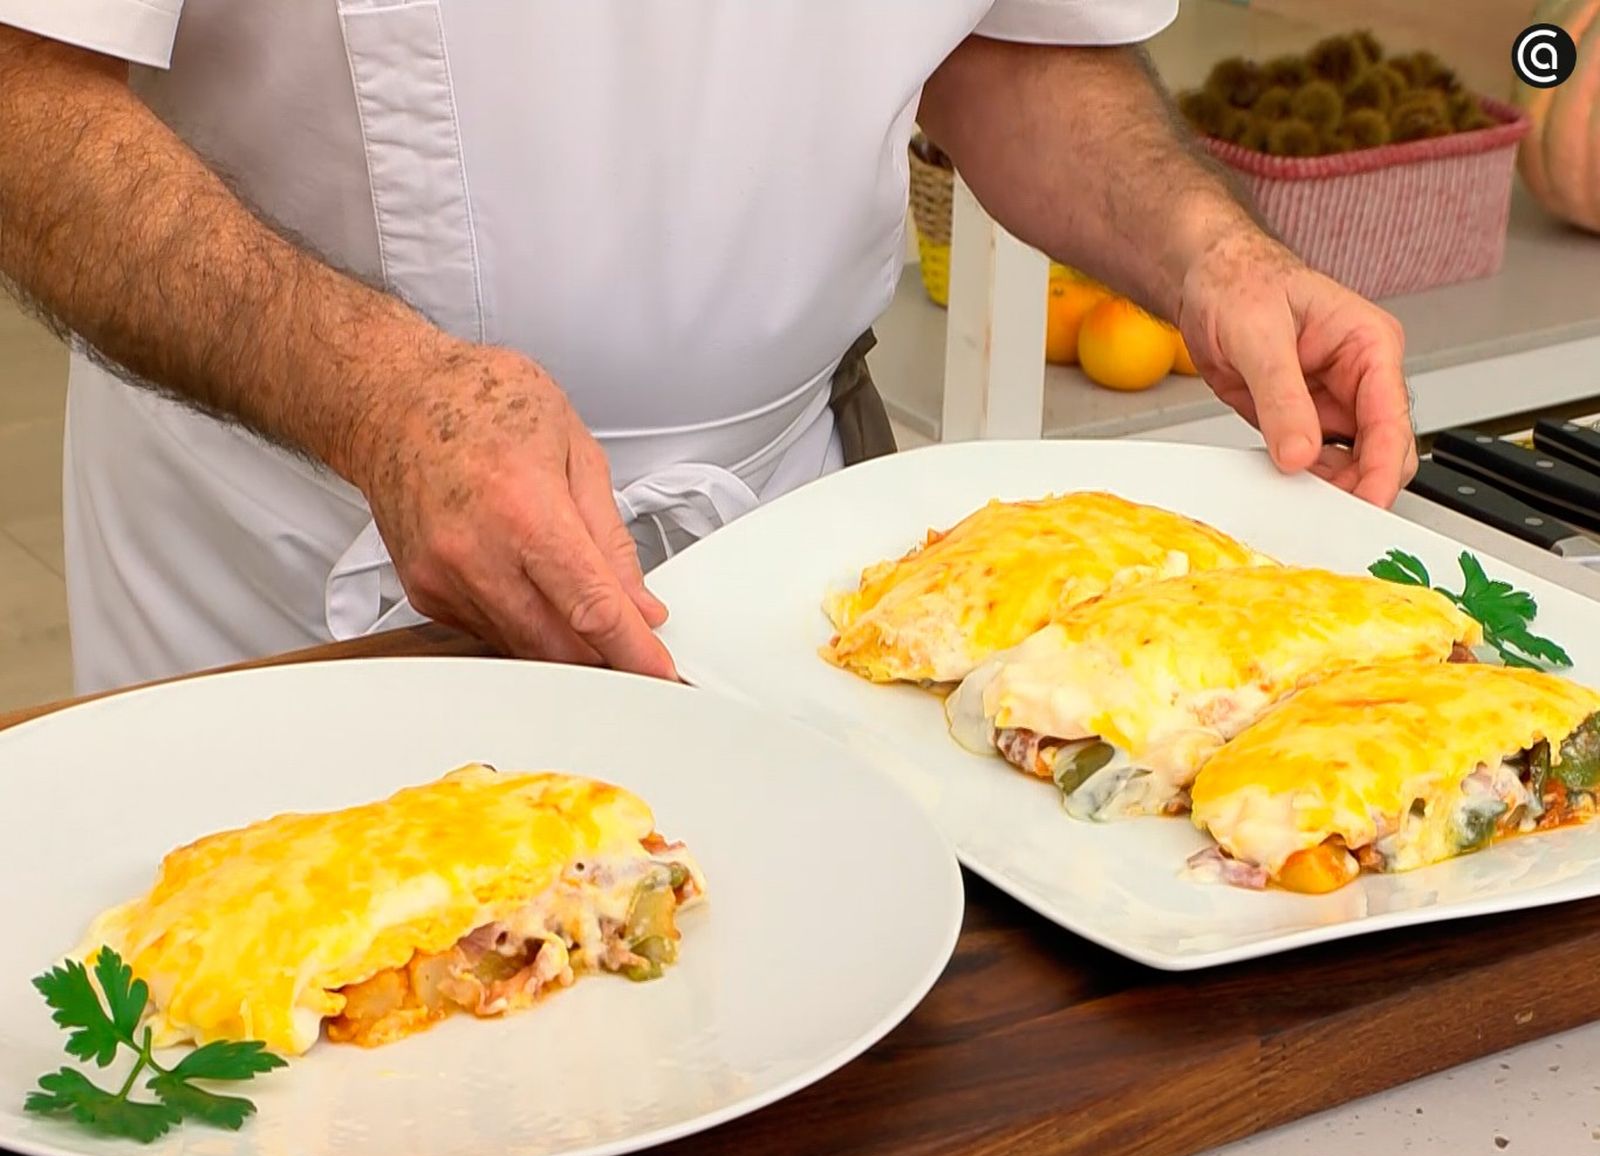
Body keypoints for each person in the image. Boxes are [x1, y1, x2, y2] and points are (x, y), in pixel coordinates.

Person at [0, 2, 1415, 694]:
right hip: (305, 544)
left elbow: (1010, 37)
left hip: (793, 552)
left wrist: (1207, 249)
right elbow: (26, 94)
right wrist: (376, 400)